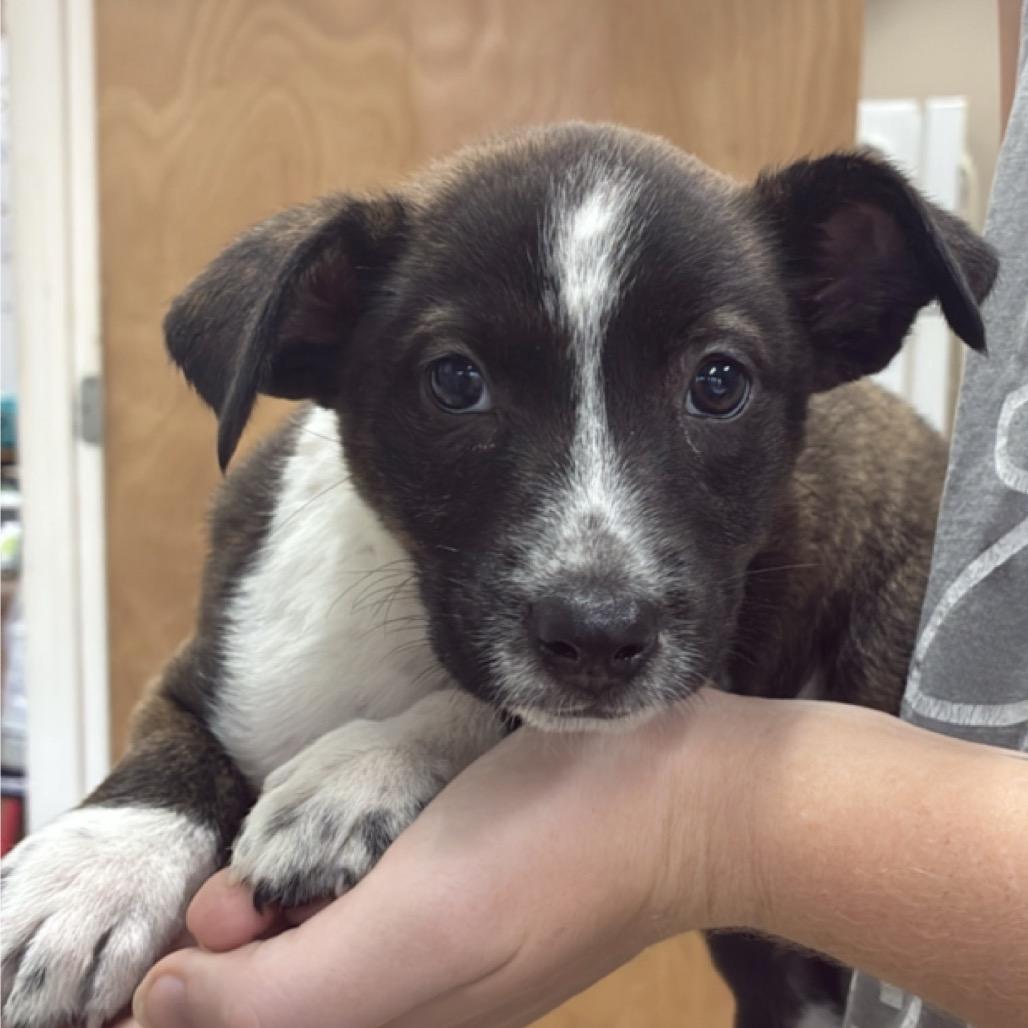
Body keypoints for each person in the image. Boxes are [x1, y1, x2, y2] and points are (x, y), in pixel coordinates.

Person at [133, 6, 1028, 1027]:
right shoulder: (267, 542)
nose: (598, 583)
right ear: (313, 339)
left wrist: (689, 819)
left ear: (844, 308)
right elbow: (194, 711)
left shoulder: (881, 526)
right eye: (457, 379)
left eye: (715, 380)